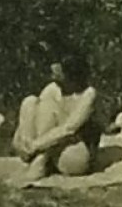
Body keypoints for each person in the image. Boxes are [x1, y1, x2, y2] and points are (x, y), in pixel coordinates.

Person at [11, 56, 101, 186]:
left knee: (59, 128)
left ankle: (40, 161)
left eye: (58, 72)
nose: (53, 74)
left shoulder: (88, 94)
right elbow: (42, 117)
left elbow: (69, 129)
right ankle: (34, 154)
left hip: (74, 151)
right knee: (30, 101)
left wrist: (36, 145)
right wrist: (27, 141)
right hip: (48, 145)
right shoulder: (53, 88)